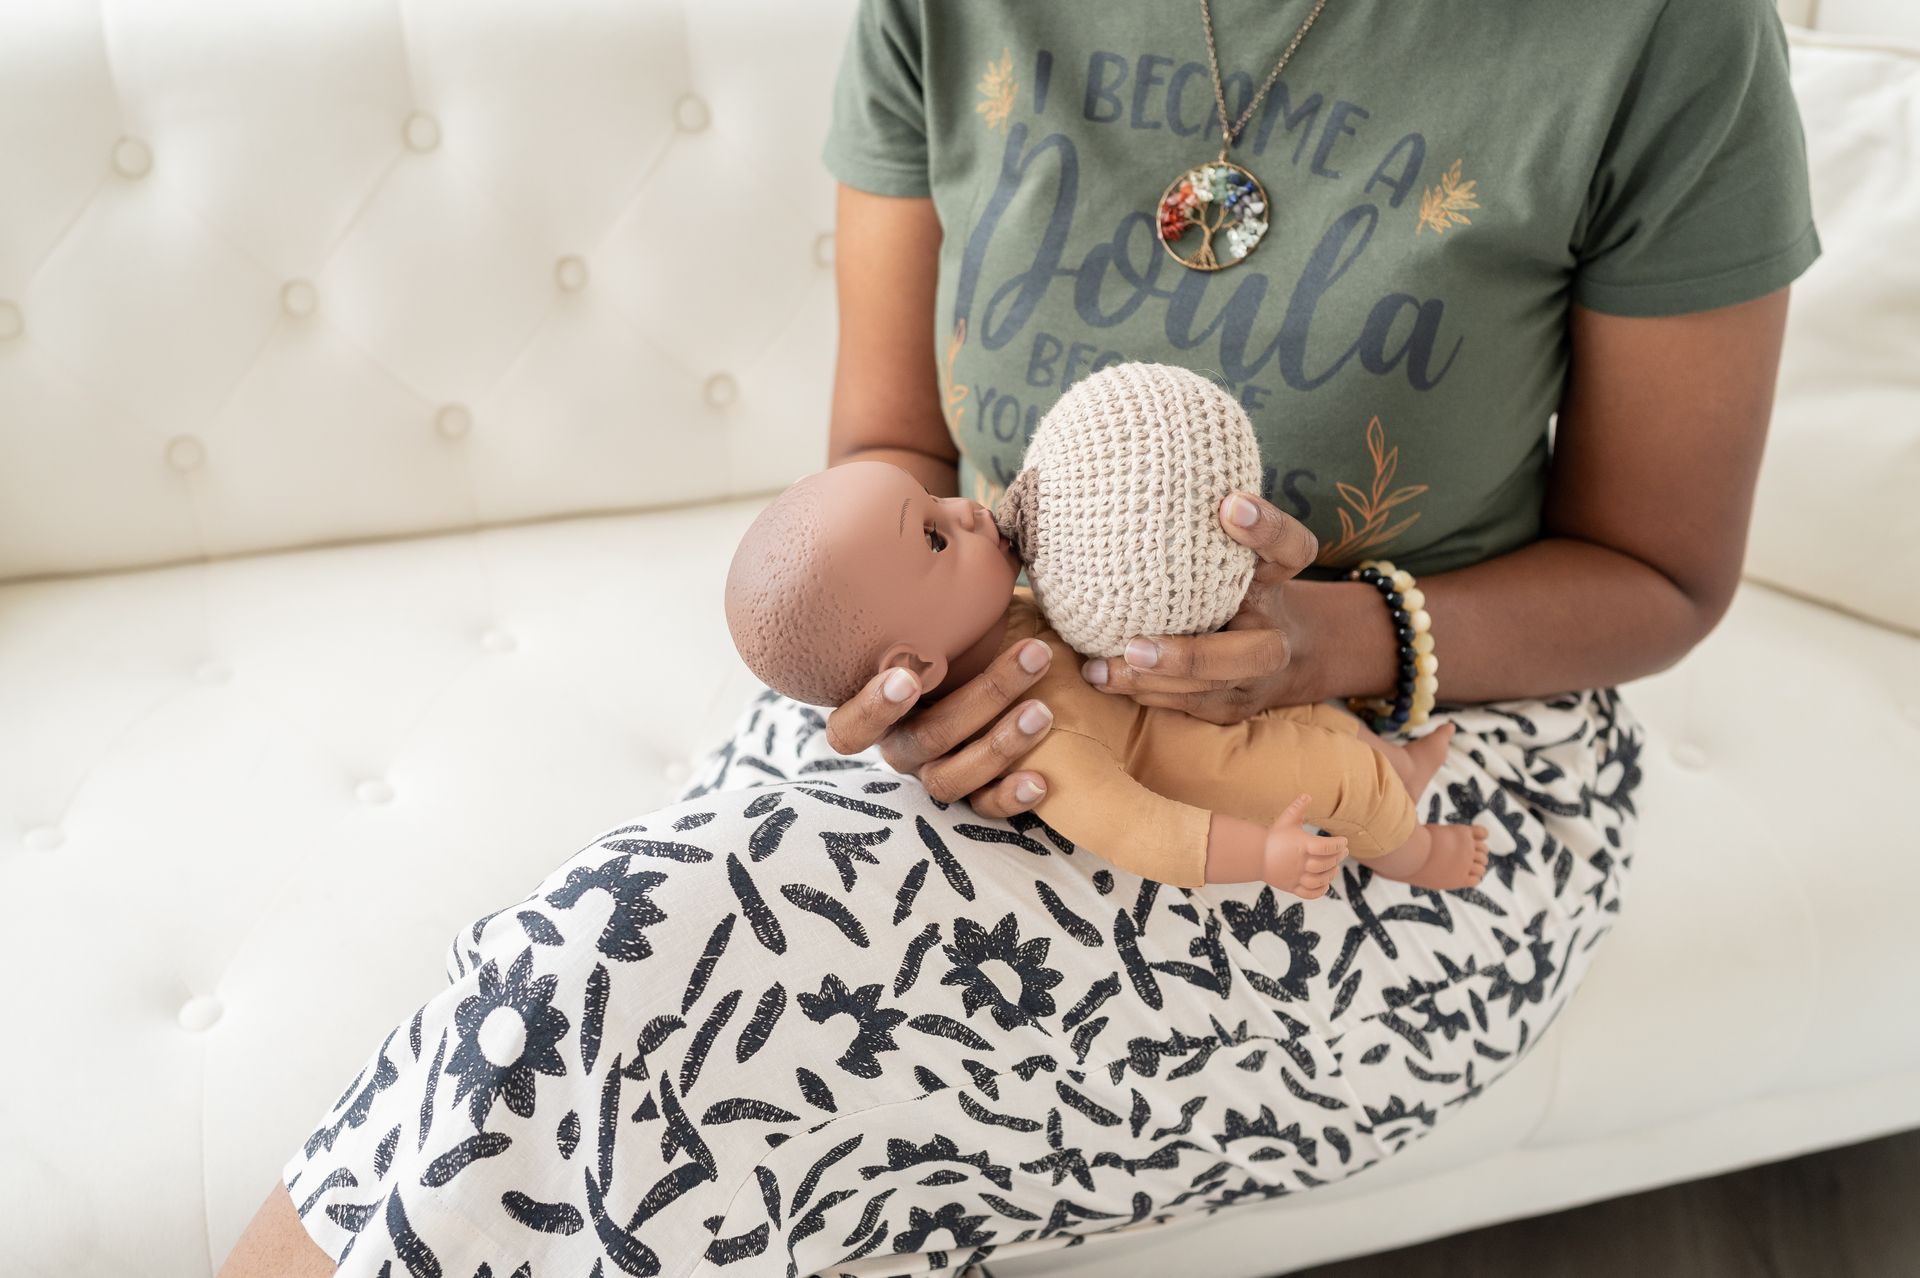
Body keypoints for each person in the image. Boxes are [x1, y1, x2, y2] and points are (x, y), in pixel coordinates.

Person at [222, 0, 1818, 1273]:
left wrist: (1320, 642)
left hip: (1403, 789)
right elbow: (892, 452)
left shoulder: (1661, 34)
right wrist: (923, 678)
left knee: (605, 1002)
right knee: (580, 991)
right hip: (993, 666)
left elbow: (1658, 574)